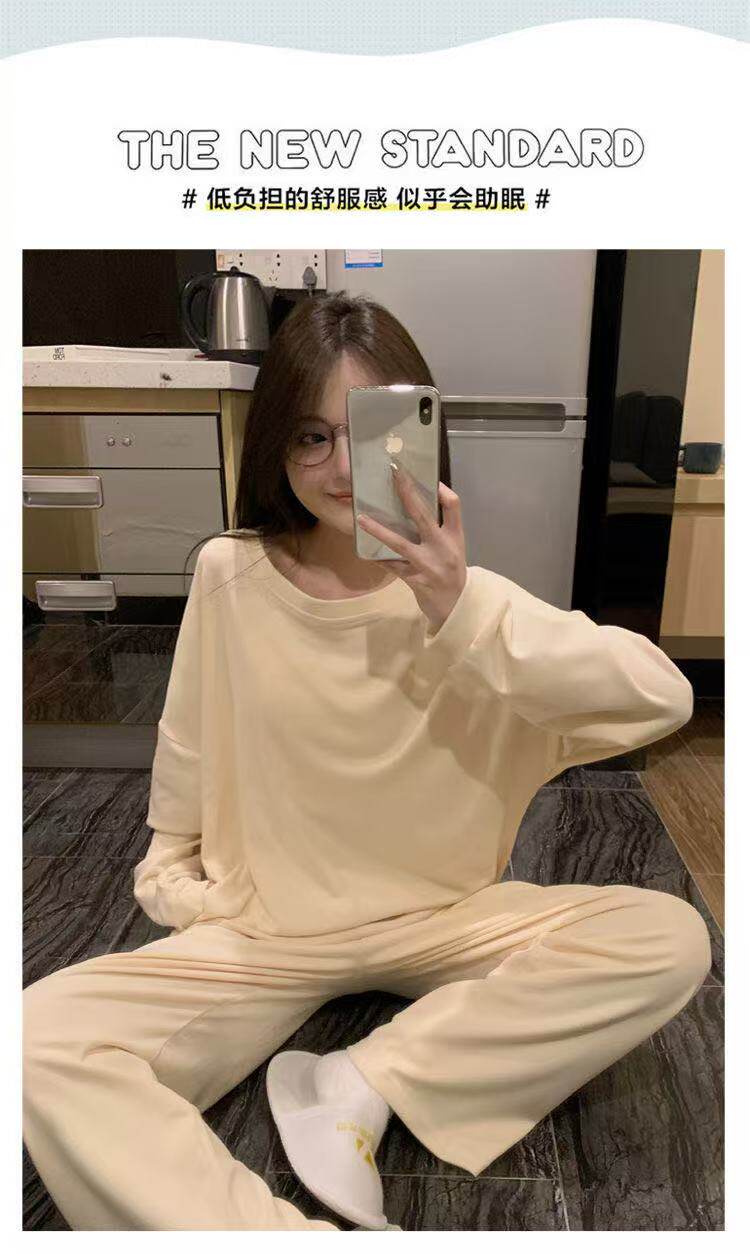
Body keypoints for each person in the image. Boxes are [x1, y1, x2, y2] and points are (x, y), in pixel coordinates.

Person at [23, 291, 712, 1232]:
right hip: (268, 930)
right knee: (38, 1037)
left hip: (444, 920)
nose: (345, 468)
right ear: (275, 447)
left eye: (375, 434)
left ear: (422, 436)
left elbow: (661, 698)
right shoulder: (230, 572)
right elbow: (189, 740)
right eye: (312, 437)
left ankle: (362, 1079)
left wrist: (461, 611)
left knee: (666, 938)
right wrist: (175, 877)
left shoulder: (471, 603)